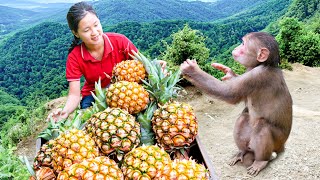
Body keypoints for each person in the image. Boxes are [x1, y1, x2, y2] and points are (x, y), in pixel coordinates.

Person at [48, 1, 138, 121]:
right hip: (94, 95)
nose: (94, 32)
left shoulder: (120, 41)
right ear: (76, 33)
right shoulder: (75, 56)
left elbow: (141, 66)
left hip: (124, 91)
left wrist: (156, 65)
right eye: (86, 30)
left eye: (96, 25)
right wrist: (65, 112)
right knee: (90, 122)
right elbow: (74, 94)